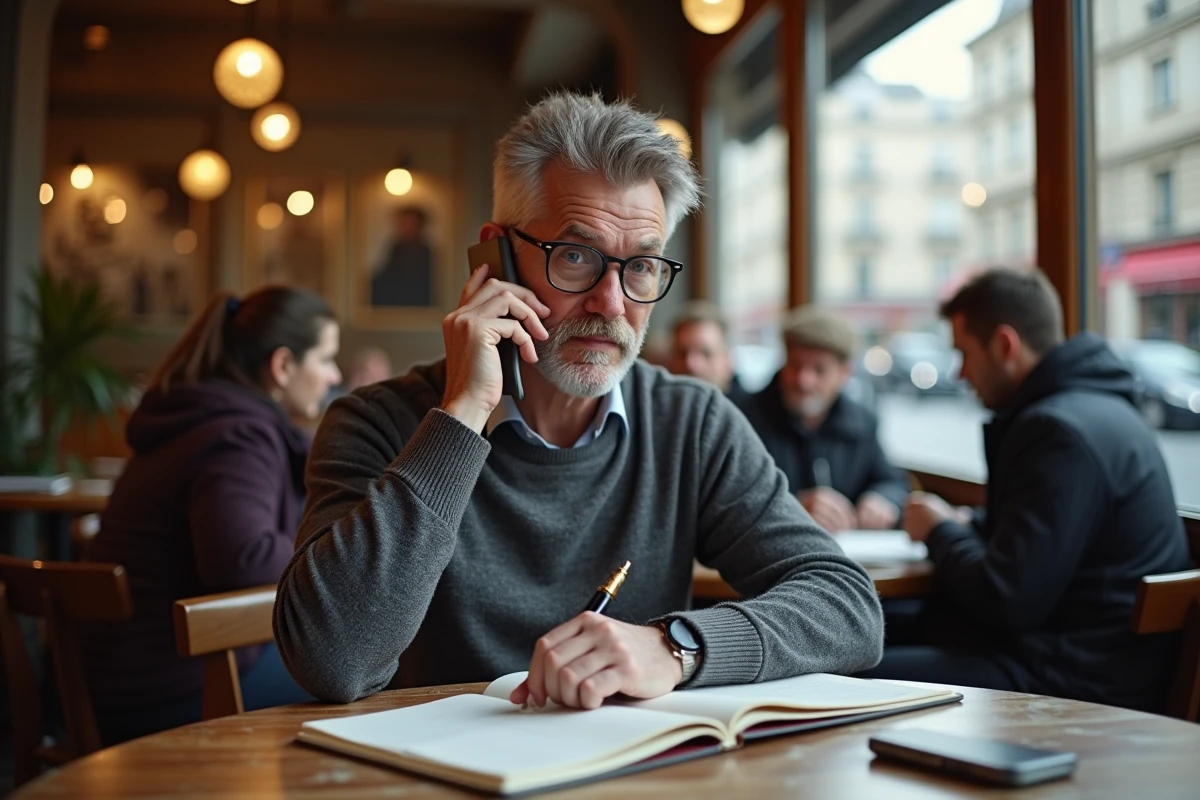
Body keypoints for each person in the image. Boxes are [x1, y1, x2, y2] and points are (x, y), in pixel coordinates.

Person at [274, 92, 884, 710]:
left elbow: (846, 606)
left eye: (641, 265)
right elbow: (332, 661)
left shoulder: (690, 421)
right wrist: (463, 414)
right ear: (496, 258)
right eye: (575, 257)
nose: (612, 304)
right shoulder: (374, 423)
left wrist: (675, 648)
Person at [863, 268, 1191, 712]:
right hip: (1089, 658)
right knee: (868, 632)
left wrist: (940, 531)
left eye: (964, 353)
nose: (960, 373)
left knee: (847, 671)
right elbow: (1047, 541)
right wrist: (973, 523)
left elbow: (1006, 600)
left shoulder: (1057, 432)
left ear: (1004, 345)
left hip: (1075, 685)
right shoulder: (1099, 409)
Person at [81, 286, 343, 744]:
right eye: (324, 359)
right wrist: (338, 549)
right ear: (282, 366)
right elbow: (244, 562)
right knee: (371, 674)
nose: (333, 375)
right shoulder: (238, 436)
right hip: (166, 691)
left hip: (120, 677)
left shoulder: (203, 417)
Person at [739, 307, 908, 533]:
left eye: (819, 370)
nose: (804, 381)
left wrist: (882, 499)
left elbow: (891, 481)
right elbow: (728, 498)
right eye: (795, 366)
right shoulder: (743, 418)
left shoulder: (862, 421)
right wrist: (790, 507)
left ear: (844, 373)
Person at [667, 301, 749, 404]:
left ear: (728, 359)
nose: (691, 364)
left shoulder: (749, 417)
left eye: (706, 353)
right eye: (683, 353)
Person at [370, 206, 435, 307]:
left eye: (411, 224)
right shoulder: (395, 249)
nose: (406, 228)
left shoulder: (427, 253)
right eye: (404, 223)